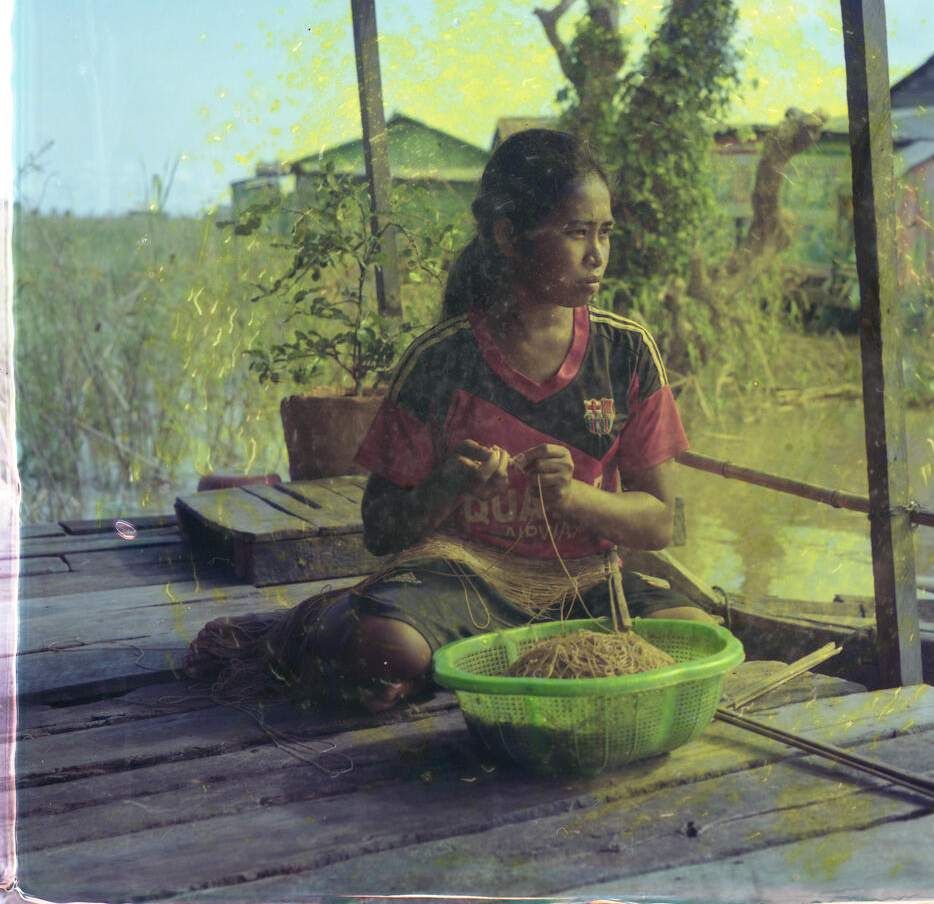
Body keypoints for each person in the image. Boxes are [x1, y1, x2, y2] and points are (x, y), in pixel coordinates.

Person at [185, 129, 711, 711]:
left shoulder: (627, 351)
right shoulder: (441, 361)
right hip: (462, 581)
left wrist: (575, 500)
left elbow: (658, 522)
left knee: (694, 633)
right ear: (510, 236)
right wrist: (448, 485)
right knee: (382, 649)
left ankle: (466, 667)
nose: (597, 255)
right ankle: (349, 635)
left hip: (583, 585)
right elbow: (382, 529)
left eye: (604, 232)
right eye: (575, 232)